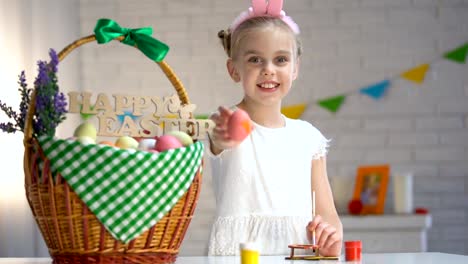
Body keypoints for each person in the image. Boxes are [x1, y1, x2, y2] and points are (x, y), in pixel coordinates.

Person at [207, 0, 342, 257]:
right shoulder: (226, 121)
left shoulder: (308, 137)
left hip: (298, 253)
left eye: (280, 59)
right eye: (255, 60)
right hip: (240, 254)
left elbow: (328, 215)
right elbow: (218, 138)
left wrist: (332, 235)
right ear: (234, 70)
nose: (268, 70)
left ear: (295, 69)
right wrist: (223, 136)